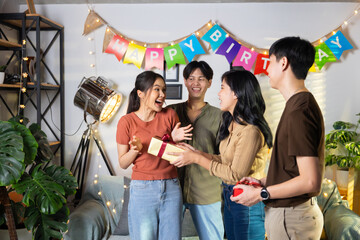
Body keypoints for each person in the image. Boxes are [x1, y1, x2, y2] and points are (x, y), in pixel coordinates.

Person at [231, 36, 325, 240]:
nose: (267, 70)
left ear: (283, 63)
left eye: (270, 62)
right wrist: (263, 182)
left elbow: (310, 181)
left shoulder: (300, 110)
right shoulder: (297, 105)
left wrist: (260, 194)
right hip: (289, 216)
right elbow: (294, 171)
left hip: (293, 218)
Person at [170, 69, 273, 240]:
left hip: (246, 199)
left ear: (236, 94)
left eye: (223, 88)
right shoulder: (233, 125)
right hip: (230, 195)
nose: (218, 93)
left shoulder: (250, 131)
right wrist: (197, 153)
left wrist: (196, 158)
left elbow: (235, 174)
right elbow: (225, 160)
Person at [116, 71, 192, 240]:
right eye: (157, 89)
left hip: (171, 187)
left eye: (164, 90)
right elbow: (123, 163)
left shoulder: (170, 115)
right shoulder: (126, 122)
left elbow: (178, 157)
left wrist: (174, 139)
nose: (162, 95)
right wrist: (135, 150)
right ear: (141, 93)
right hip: (142, 189)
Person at [168, 61, 224, 240]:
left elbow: (225, 156)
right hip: (172, 189)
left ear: (209, 82)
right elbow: (155, 147)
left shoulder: (221, 116)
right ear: (185, 81)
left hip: (207, 191)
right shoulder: (171, 112)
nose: (196, 83)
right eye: (191, 78)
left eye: (201, 79)